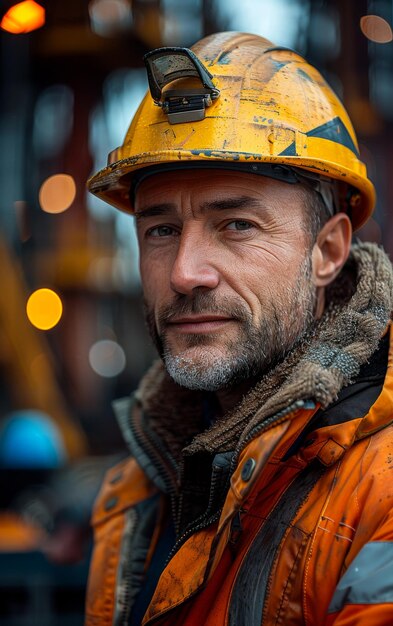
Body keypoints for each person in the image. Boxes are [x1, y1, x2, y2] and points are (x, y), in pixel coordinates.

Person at [85, 32, 393, 625]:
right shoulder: (135, 491)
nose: (184, 274)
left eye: (237, 225)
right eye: (161, 230)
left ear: (328, 250)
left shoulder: (379, 492)